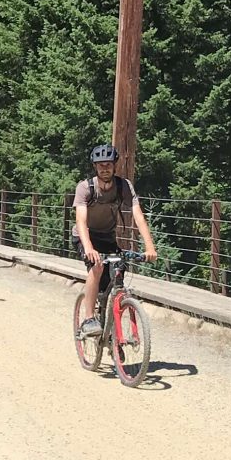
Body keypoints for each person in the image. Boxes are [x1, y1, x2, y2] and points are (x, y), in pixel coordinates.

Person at [73, 143, 157, 336]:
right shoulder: (85, 187)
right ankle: (88, 319)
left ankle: (109, 320)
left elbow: (138, 215)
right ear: (95, 166)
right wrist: (88, 248)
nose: (105, 168)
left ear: (115, 165)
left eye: (108, 164)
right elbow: (80, 220)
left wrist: (150, 247)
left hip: (107, 237)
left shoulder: (123, 186)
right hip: (85, 236)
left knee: (118, 271)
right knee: (97, 266)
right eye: (101, 164)